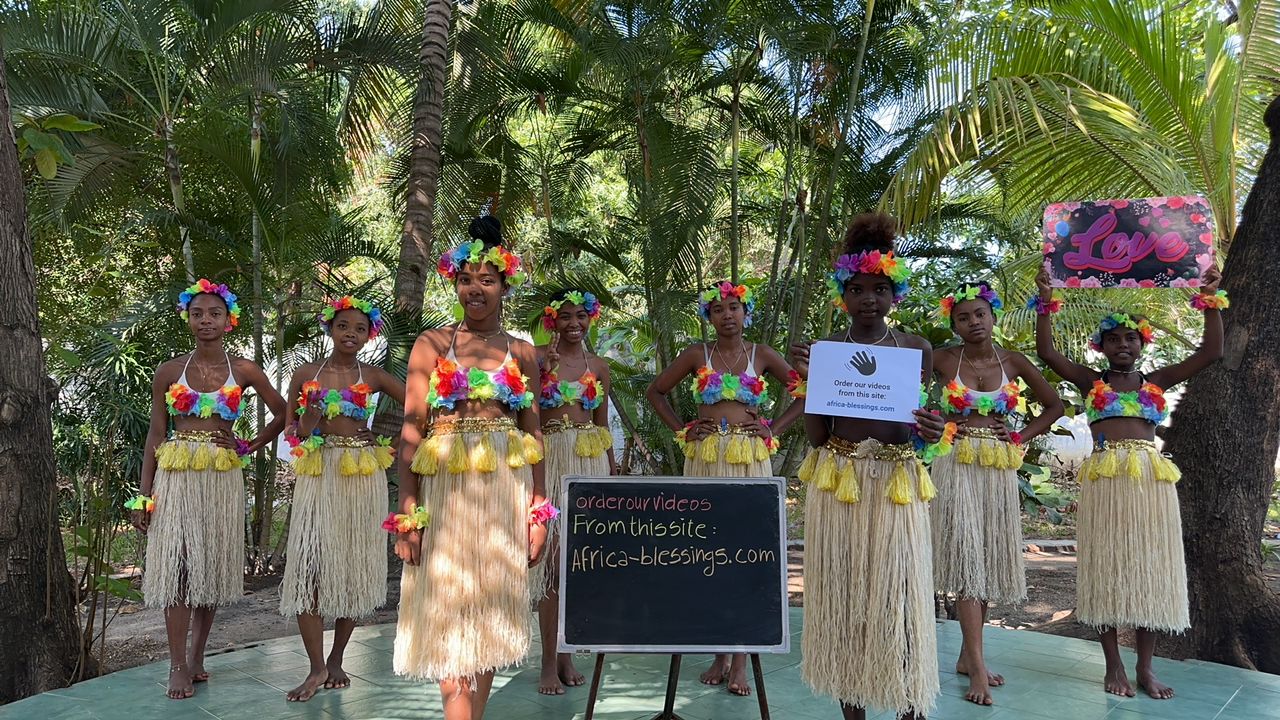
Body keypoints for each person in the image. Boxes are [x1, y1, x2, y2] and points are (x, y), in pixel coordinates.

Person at [1033, 265, 1225, 699]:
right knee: (1106, 570)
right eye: (1114, 338)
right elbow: (1047, 352)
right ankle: (1113, 665)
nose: (1123, 344)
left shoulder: (1155, 382)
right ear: (1100, 345)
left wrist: (1211, 298)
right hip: (1105, 479)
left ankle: (1145, 667)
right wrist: (1045, 300)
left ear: (1142, 344)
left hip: (1148, 483)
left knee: (1150, 572)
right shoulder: (1090, 381)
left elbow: (1210, 352)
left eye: (1131, 338)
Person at [391, 216, 549, 720]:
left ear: (505, 284)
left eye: (487, 279)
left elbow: (534, 435)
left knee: (488, 615)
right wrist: (408, 515)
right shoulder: (431, 345)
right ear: (453, 282)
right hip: (447, 499)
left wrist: (538, 512)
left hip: (504, 493)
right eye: (466, 278)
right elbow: (412, 430)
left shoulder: (522, 352)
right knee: (448, 611)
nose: (475, 288)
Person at [789, 213, 945, 720]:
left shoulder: (916, 349)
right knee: (845, 597)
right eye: (857, 289)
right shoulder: (828, 350)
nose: (868, 299)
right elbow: (817, 436)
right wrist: (811, 382)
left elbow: (921, 431)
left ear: (894, 293)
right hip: (841, 483)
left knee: (899, 597)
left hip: (897, 482)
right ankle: (851, 710)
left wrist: (933, 431)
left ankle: (909, 706)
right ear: (844, 294)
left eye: (879, 289)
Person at [128, 279, 286, 700]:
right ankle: (177, 665)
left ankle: (198, 656)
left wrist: (247, 444)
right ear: (188, 318)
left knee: (208, 567)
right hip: (177, 478)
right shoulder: (168, 371)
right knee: (179, 568)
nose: (205, 321)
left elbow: (285, 414)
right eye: (197, 313)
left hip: (220, 478)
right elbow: (155, 437)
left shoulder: (246, 369)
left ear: (228, 320)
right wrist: (143, 496)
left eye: (214, 314)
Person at [645, 280, 803, 697]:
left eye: (734, 307)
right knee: (709, 551)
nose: (727, 314)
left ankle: (740, 661)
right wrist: (683, 431)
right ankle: (718, 652)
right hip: (706, 456)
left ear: (745, 312)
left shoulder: (763, 354)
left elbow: (804, 391)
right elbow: (656, 391)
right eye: (718, 309)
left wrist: (772, 428)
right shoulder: (698, 355)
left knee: (746, 552)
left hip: (750, 457)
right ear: (709, 317)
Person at [930, 281, 1064, 705]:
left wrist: (1021, 435)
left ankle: (971, 658)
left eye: (980, 314)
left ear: (993, 316)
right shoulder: (942, 358)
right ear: (953, 323)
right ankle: (977, 670)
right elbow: (896, 385)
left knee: (985, 560)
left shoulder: (1014, 361)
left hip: (998, 470)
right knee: (969, 562)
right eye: (963, 317)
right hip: (956, 463)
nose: (974, 322)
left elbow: (1055, 405)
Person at [278, 296, 406, 701]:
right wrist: (310, 422)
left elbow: (422, 408)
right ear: (329, 328)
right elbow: (293, 436)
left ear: (370, 335)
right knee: (309, 568)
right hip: (319, 473)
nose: (351, 334)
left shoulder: (375, 376)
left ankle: (336, 659)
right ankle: (316, 667)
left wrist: (390, 439)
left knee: (351, 567)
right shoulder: (303, 374)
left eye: (360, 329)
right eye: (343, 326)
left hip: (361, 473)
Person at [531, 289, 617, 695]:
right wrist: (540, 371)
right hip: (548, 461)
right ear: (552, 321)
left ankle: (567, 650)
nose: (574, 324)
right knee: (550, 563)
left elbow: (602, 426)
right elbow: (523, 415)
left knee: (578, 563)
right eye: (565, 316)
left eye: (580, 316)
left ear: (590, 319)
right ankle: (550, 661)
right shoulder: (535, 359)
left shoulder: (598, 367)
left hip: (588, 463)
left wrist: (611, 477)